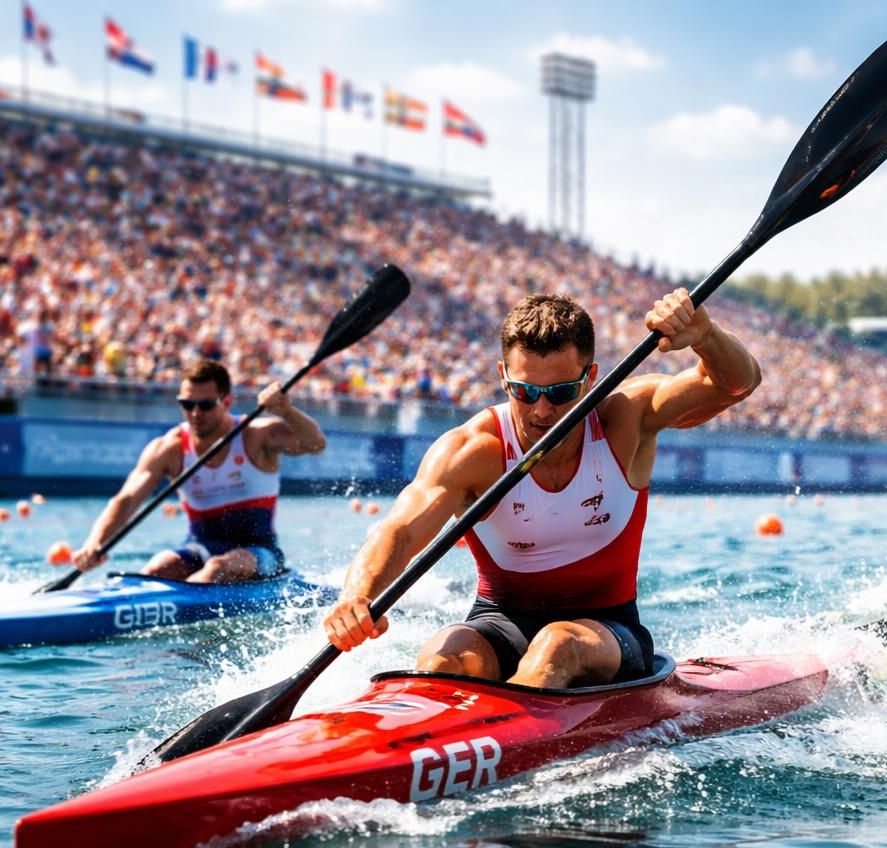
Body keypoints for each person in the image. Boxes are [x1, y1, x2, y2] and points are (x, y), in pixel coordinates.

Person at [322, 289, 761, 690]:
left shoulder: (627, 419)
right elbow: (400, 530)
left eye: (561, 392)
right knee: (444, 659)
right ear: (503, 377)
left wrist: (706, 335)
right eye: (525, 391)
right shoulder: (473, 450)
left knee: (555, 645)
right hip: (500, 621)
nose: (542, 411)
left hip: (607, 627)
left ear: (590, 379)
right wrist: (356, 597)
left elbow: (736, 384)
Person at [71, 359, 327, 582]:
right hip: (201, 547)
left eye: (205, 405)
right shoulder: (168, 448)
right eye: (186, 404)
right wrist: (95, 543)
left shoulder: (257, 435)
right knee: (157, 568)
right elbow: (126, 500)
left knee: (217, 569)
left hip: (260, 552)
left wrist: (287, 412)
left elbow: (315, 444)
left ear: (226, 402)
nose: (195, 413)